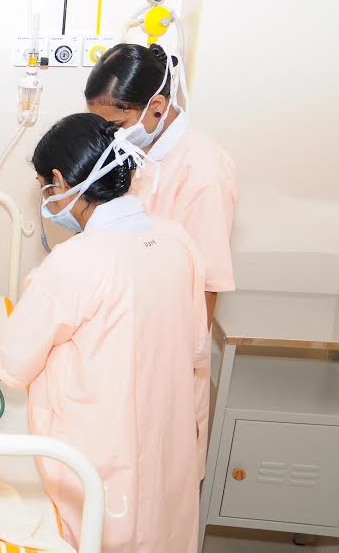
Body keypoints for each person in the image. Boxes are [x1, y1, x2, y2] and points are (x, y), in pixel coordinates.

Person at [0, 114, 208, 553]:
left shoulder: (77, 262)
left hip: (103, 445)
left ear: (58, 180)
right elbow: (193, 341)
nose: (46, 200)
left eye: (43, 186)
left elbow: (12, 356)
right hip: (166, 435)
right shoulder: (175, 239)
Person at [85, 42, 237, 471]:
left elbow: (206, 287)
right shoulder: (139, 151)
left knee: (161, 475)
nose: (111, 135)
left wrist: (179, 377)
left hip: (170, 351)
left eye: (117, 124)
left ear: (156, 107)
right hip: (130, 332)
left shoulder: (202, 172)